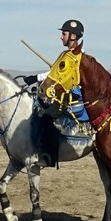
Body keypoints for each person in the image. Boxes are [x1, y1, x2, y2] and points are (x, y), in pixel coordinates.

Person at [18, 19, 86, 167]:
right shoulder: (67, 55)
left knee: (46, 117)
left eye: (64, 33)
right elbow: (53, 74)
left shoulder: (77, 56)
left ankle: (49, 155)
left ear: (73, 36)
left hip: (72, 96)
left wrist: (35, 78)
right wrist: (35, 78)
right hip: (64, 95)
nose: (61, 37)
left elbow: (59, 76)